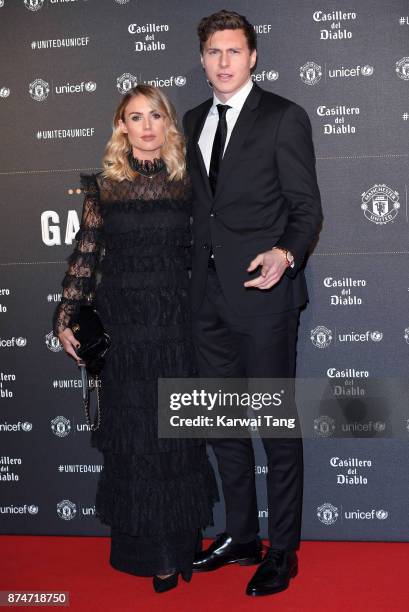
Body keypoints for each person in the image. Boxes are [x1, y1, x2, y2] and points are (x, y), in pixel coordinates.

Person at [53, 84, 218, 594]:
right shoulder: (104, 187)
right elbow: (87, 254)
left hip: (177, 326)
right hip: (124, 328)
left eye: (155, 116)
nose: (146, 126)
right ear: (120, 126)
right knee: (136, 441)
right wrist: (65, 314)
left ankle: (179, 543)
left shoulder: (190, 182)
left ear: (169, 124)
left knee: (175, 433)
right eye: (134, 117)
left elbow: (208, 250)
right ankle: (150, 554)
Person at [183, 10, 323, 597]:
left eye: (234, 51)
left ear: (253, 56)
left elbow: (306, 209)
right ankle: (241, 536)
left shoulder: (284, 117)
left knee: (274, 426)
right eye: (214, 51)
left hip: (264, 301)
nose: (223, 61)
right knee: (221, 424)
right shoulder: (190, 121)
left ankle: (283, 550)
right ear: (202, 58)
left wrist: (285, 255)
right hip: (204, 300)